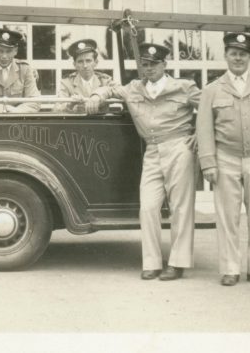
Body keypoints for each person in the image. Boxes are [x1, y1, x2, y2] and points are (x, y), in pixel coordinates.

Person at [86, 43, 200, 281]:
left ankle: (177, 263)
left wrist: (200, 135)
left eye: (154, 64)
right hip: (152, 151)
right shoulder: (135, 88)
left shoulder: (183, 87)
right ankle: (152, 263)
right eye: (145, 65)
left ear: (164, 65)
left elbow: (211, 107)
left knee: (180, 208)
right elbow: (110, 89)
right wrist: (97, 94)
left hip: (179, 147)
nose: (148, 69)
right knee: (148, 207)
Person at [197, 32, 250, 286]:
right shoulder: (212, 89)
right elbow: (204, 129)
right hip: (226, 158)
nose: (238, 58)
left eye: (243, 53)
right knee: (228, 217)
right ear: (226, 56)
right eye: (233, 53)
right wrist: (208, 162)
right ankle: (230, 268)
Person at [55, 39, 115, 112]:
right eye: (80, 61)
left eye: (88, 61)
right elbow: (56, 109)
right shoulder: (67, 83)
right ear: (75, 65)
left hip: (101, 121)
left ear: (96, 62)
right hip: (77, 122)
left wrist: (98, 95)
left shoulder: (105, 80)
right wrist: (70, 104)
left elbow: (117, 90)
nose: (85, 65)